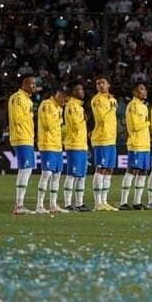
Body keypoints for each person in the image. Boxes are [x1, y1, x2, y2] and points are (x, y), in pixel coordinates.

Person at [36, 89, 69, 213]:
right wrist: (60, 121)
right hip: (47, 144)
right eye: (64, 99)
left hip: (57, 145)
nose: (65, 103)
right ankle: (39, 205)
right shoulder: (47, 105)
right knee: (47, 174)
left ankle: (53, 205)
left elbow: (58, 129)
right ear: (58, 95)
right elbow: (48, 125)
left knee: (57, 175)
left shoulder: (59, 108)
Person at [9, 75, 37, 215]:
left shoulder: (27, 99)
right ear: (24, 84)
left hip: (27, 137)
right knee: (25, 169)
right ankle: (19, 205)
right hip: (21, 137)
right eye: (31, 84)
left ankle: (20, 204)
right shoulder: (18, 98)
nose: (34, 86)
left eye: (35, 84)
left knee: (26, 168)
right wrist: (30, 114)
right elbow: (17, 118)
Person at [119, 83, 150, 210]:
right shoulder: (133, 106)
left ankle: (137, 202)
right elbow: (136, 126)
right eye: (142, 89)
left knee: (143, 172)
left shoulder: (143, 106)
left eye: (145, 89)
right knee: (131, 170)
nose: (145, 91)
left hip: (145, 144)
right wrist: (148, 123)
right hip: (136, 144)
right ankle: (123, 202)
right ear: (135, 92)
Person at [91, 75, 118, 211]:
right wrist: (112, 108)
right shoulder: (97, 100)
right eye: (98, 83)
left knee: (109, 170)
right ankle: (98, 203)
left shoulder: (111, 100)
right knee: (100, 169)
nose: (100, 85)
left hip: (111, 139)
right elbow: (102, 118)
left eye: (102, 83)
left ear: (108, 85)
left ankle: (105, 201)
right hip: (101, 139)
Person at [63, 83, 91, 212]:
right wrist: (83, 119)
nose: (82, 91)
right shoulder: (72, 106)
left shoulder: (79, 107)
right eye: (79, 89)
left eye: (82, 89)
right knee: (72, 175)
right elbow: (75, 126)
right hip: (74, 145)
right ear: (73, 92)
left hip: (81, 145)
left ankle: (79, 203)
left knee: (81, 176)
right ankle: (68, 204)